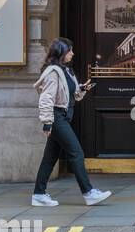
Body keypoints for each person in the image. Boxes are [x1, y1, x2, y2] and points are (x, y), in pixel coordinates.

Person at [32, 38, 111, 208]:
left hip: (64, 116)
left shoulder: (66, 71)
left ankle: (39, 194)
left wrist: (82, 89)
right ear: (61, 52)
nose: (72, 54)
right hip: (57, 117)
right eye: (70, 51)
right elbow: (46, 99)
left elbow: (72, 95)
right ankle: (88, 192)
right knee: (76, 153)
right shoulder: (53, 72)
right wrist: (47, 122)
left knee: (50, 158)